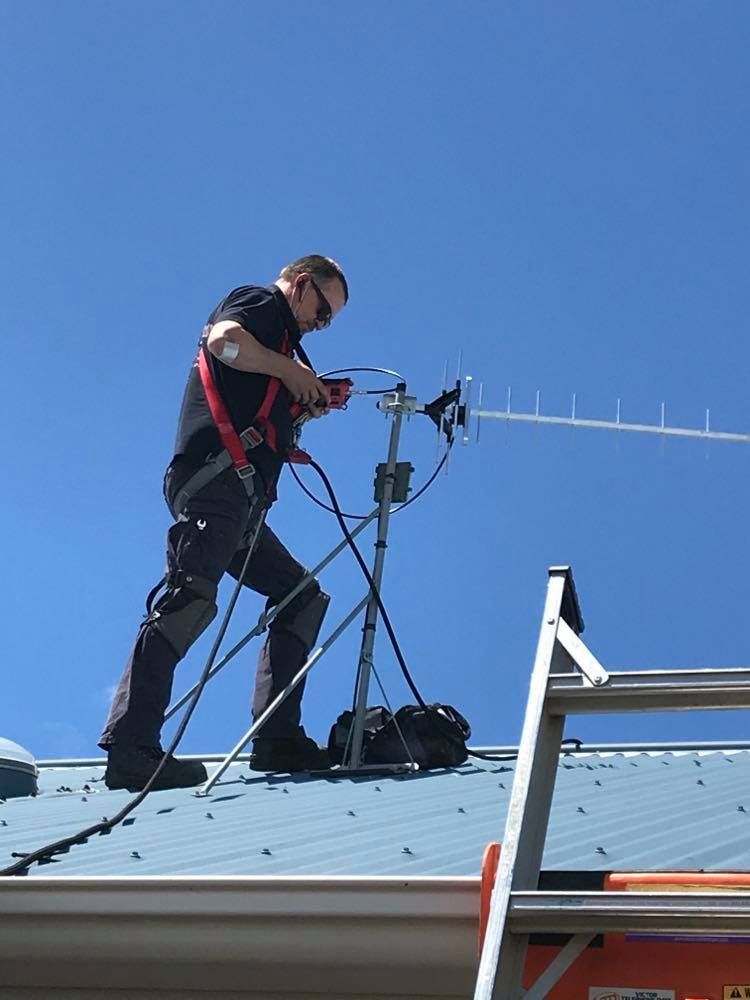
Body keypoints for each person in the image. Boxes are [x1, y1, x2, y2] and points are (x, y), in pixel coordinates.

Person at [99, 255, 349, 790]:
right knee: (189, 598)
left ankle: (277, 738)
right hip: (217, 486)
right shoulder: (262, 305)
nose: (319, 326)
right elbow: (223, 342)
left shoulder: (282, 347)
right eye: (322, 312)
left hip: (238, 499)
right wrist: (290, 372)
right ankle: (130, 748)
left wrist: (302, 403)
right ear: (301, 284)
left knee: (300, 595)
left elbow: (252, 395)